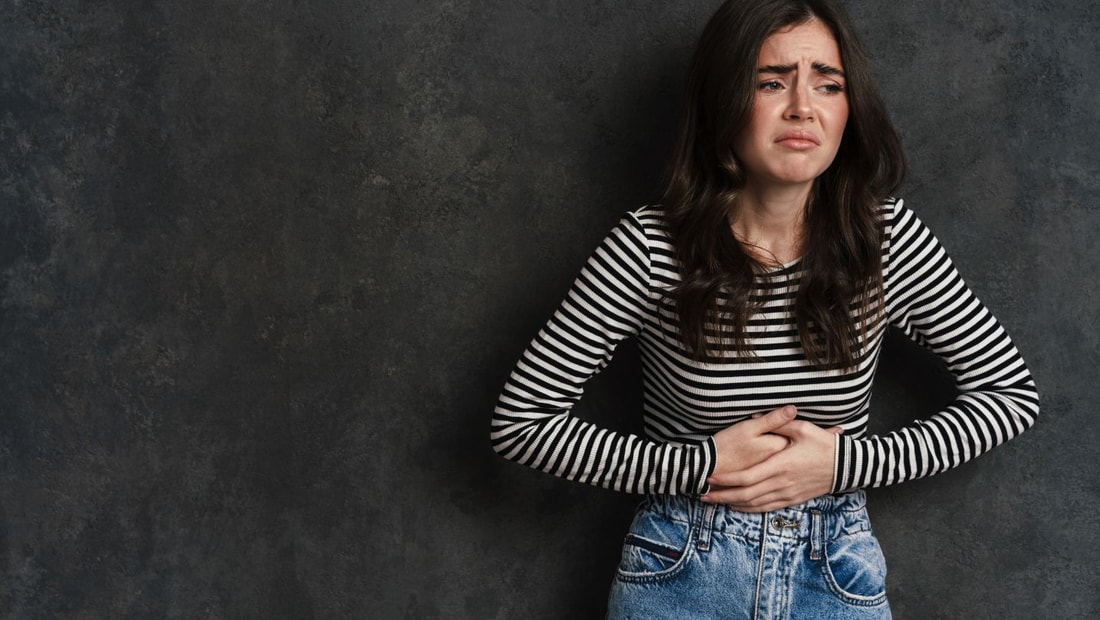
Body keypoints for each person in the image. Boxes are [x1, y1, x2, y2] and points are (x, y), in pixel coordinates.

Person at [490, 0, 1039, 617]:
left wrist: (843, 463)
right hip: (681, 569)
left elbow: (1010, 396)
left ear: (848, 109)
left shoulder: (883, 240)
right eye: (771, 81)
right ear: (724, 101)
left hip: (834, 572)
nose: (802, 106)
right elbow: (522, 424)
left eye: (827, 84)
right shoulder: (650, 246)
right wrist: (699, 467)